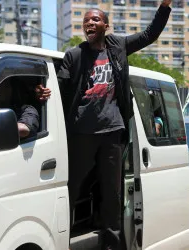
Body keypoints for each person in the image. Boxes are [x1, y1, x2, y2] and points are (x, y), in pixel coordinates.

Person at [38, 1, 172, 249]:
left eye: (95, 20)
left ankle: (111, 245)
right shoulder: (75, 55)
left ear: (106, 26)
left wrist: (164, 6)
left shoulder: (118, 46)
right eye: (86, 21)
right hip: (81, 134)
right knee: (71, 190)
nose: (90, 23)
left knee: (112, 195)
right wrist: (44, 91)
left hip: (112, 132)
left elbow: (149, 35)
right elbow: (60, 86)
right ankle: (60, 242)